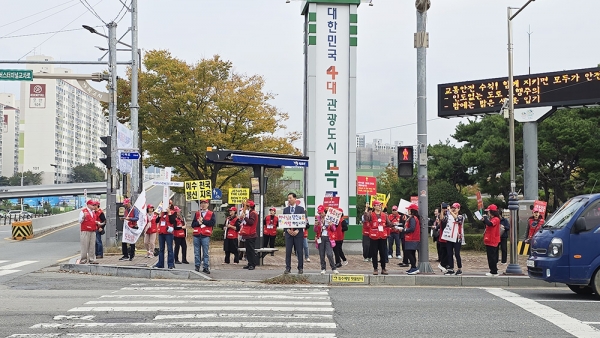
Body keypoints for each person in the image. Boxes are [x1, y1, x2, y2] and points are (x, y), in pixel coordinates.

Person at [364, 200, 391, 275]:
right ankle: (375, 268)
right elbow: (366, 218)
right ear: (374, 206)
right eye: (378, 205)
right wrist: (366, 209)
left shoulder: (384, 215)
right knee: (374, 253)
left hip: (382, 236)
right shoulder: (370, 214)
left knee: (383, 253)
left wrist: (394, 225)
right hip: (373, 236)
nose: (379, 206)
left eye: (380, 205)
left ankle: (383, 268)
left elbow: (388, 223)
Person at [283, 193, 308, 274]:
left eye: (290, 198)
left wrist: (298, 229)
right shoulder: (286, 210)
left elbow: (304, 221)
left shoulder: (301, 209)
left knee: (300, 251)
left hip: (298, 234)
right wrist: (287, 230)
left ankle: (300, 268)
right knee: (288, 251)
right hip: (288, 234)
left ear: (295, 199)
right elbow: (283, 222)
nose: (289, 200)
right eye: (288, 198)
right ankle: (288, 268)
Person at [191, 199, 215, 273]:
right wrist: (198, 222)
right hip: (197, 234)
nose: (203, 205)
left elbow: (212, 223)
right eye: (202, 203)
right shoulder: (197, 213)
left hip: (205, 235)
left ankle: (206, 267)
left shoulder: (211, 213)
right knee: (197, 252)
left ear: (208, 204)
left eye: (205, 203)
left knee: (205, 252)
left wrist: (203, 221)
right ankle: (197, 266)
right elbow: (193, 224)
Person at [314, 205, 339, 274]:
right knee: (321, 254)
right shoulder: (318, 218)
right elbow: (315, 230)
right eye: (319, 213)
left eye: (321, 212)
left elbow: (334, 229)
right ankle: (323, 268)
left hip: (328, 238)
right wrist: (316, 225)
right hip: (320, 237)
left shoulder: (329, 218)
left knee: (329, 254)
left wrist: (331, 225)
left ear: (324, 212)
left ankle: (333, 268)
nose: (320, 214)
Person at [401, 203, 421, 275]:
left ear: (412, 210)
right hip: (413, 238)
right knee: (412, 253)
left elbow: (412, 228)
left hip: (412, 238)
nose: (408, 211)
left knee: (408, 253)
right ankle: (413, 267)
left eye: (409, 209)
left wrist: (403, 230)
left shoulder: (413, 218)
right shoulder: (414, 218)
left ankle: (414, 267)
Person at [445, 203, 464, 275]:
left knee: (457, 254)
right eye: (452, 208)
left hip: (457, 237)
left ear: (459, 209)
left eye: (455, 208)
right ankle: (451, 268)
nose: (453, 209)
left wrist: (451, 212)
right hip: (449, 237)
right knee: (449, 253)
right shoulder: (449, 216)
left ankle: (459, 268)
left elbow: (457, 219)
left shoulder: (460, 216)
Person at [240, 199, 259, 270]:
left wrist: (245, 217)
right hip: (248, 234)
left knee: (251, 250)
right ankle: (250, 263)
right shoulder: (250, 212)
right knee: (248, 250)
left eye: (246, 206)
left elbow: (251, 222)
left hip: (251, 234)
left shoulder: (253, 213)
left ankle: (252, 264)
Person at [483, 204, 501, 276]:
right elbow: (487, 224)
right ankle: (492, 270)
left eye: (489, 211)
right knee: (490, 256)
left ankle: (494, 271)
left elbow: (490, 224)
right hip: (489, 239)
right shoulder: (492, 219)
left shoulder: (496, 219)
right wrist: (484, 220)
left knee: (492, 257)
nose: (488, 213)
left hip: (493, 240)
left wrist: (485, 219)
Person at [79, 200, 98, 264]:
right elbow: (80, 221)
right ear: (88, 205)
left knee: (92, 246)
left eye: (94, 205)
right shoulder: (83, 211)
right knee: (84, 245)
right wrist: (83, 217)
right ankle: (83, 259)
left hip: (93, 230)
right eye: (93, 205)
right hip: (85, 230)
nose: (94, 206)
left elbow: (93, 221)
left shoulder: (93, 212)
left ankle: (91, 259)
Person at [435, 202, 450, 273]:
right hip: (444, 237)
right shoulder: (444, 216)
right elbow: (442, 223)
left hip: (446, 237)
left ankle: (445, 264)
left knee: (447, 252)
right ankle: (443, 264)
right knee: (445, 252)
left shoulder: (448, 215)